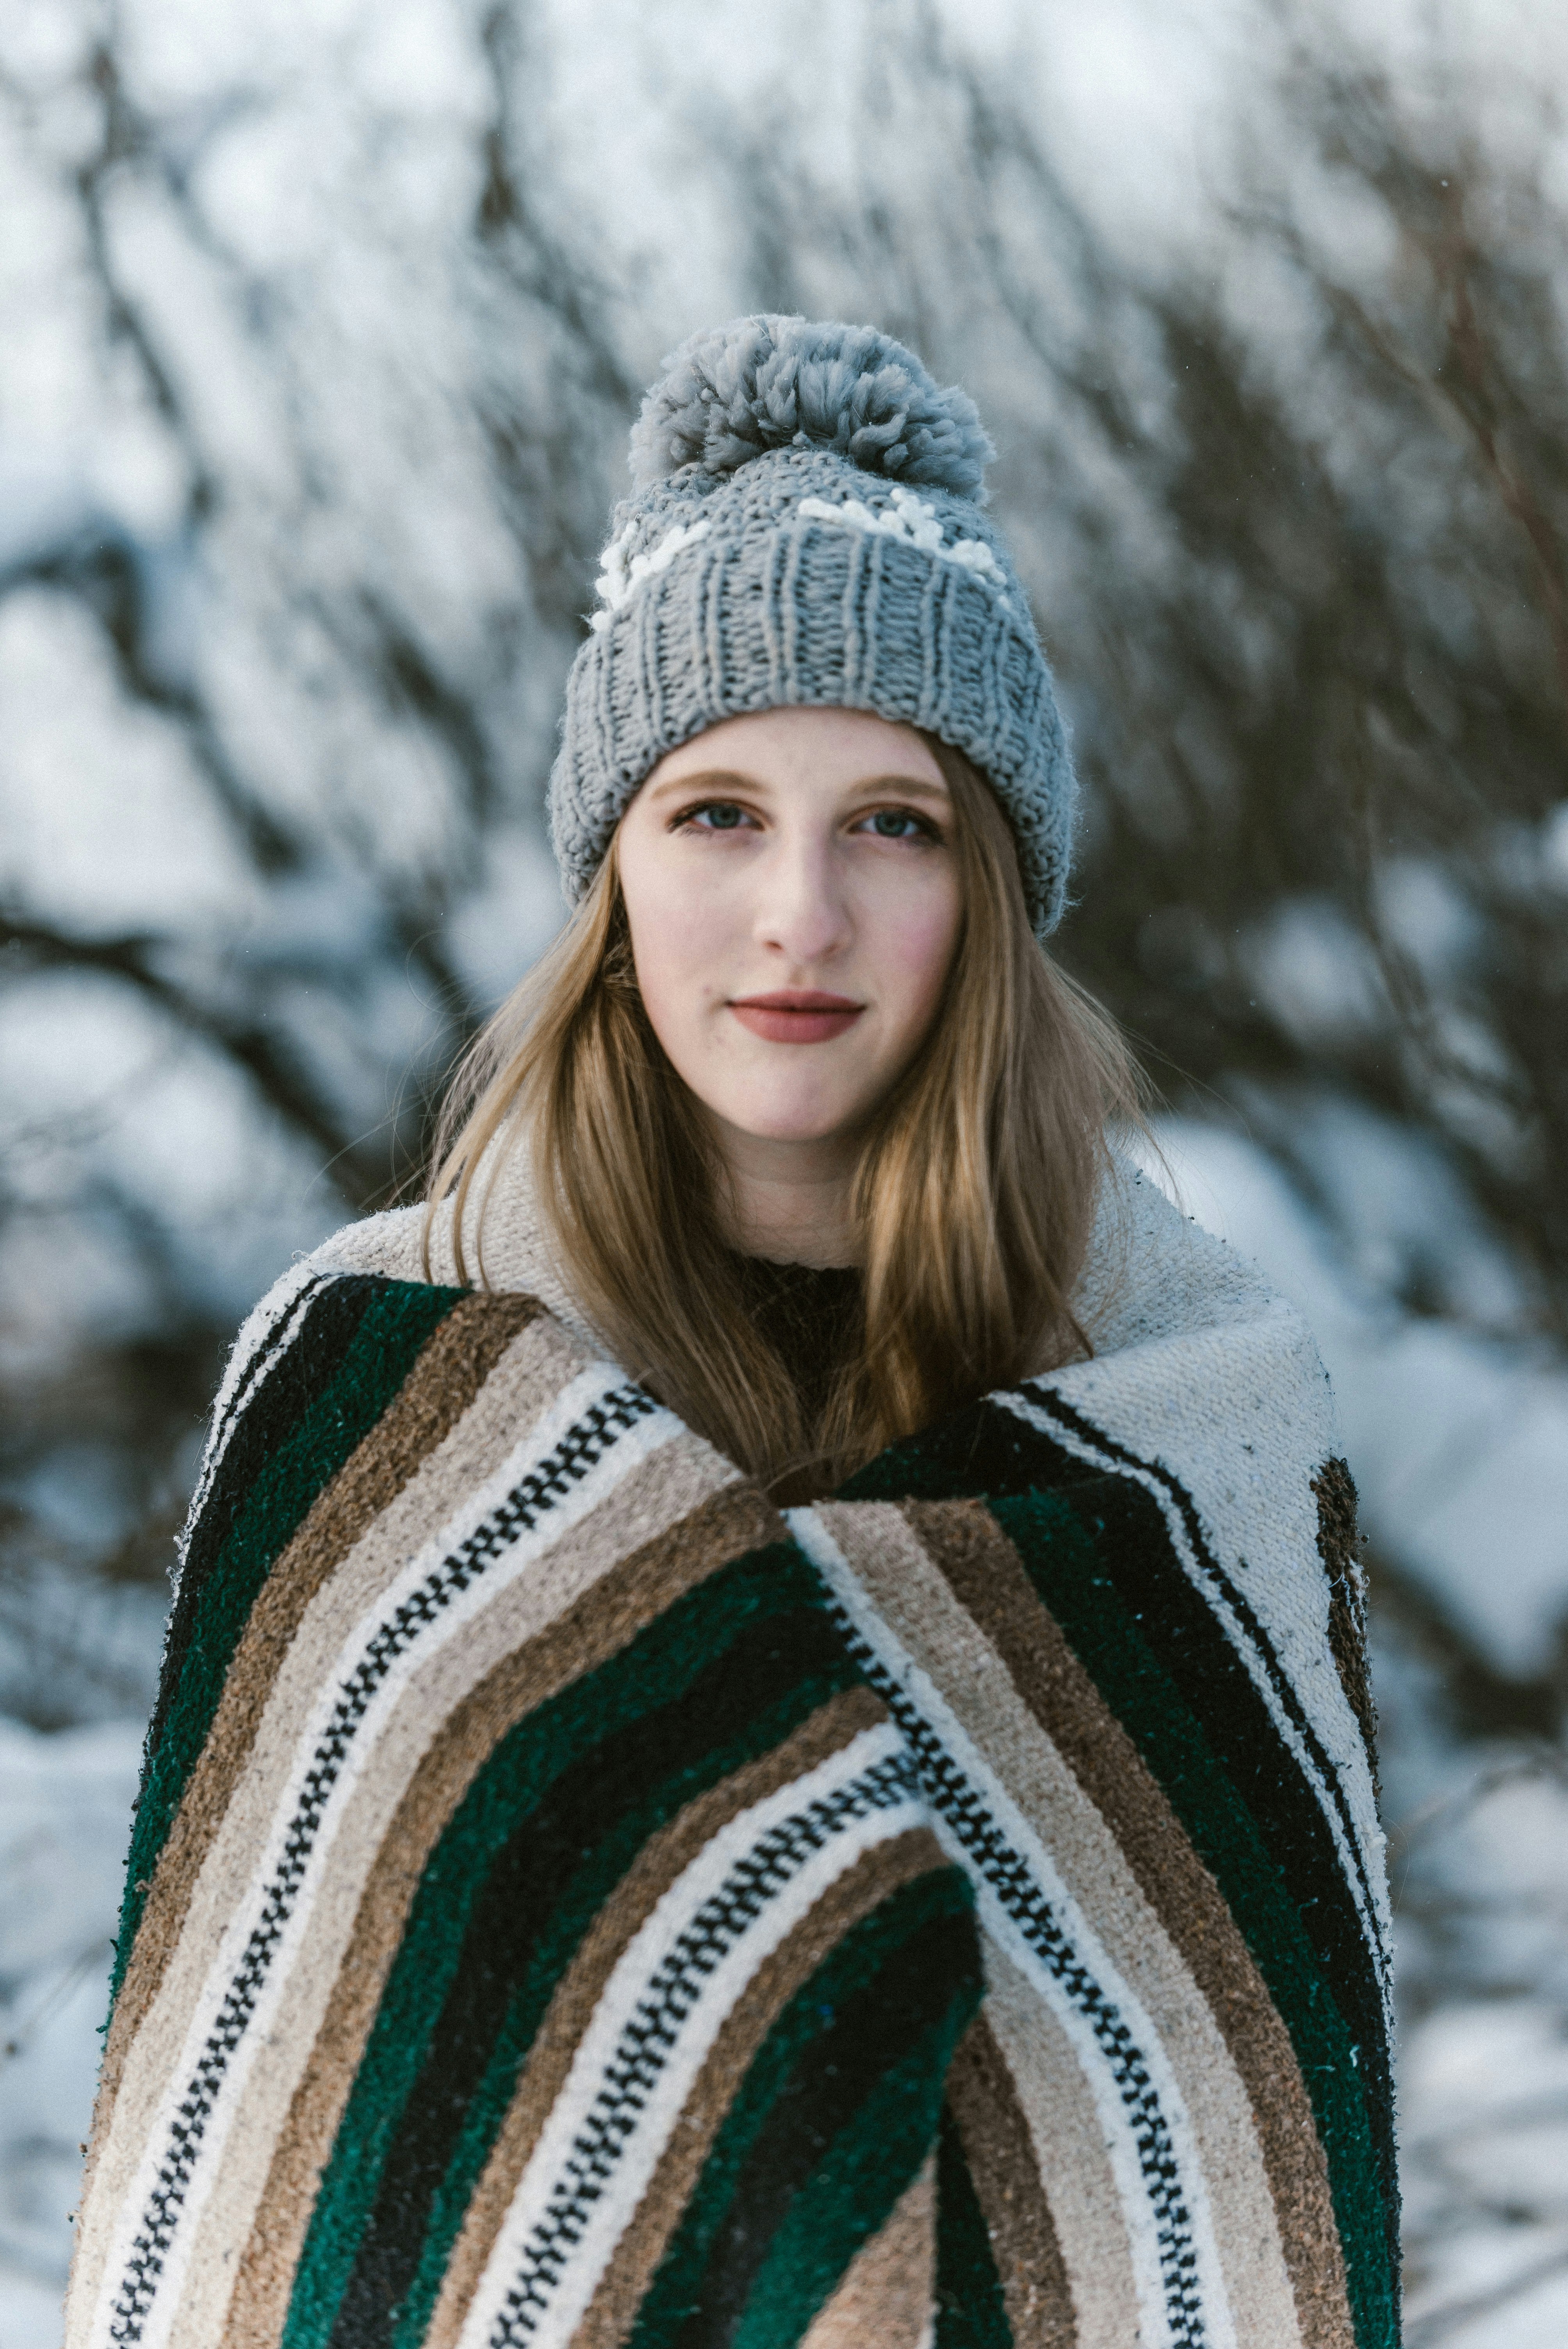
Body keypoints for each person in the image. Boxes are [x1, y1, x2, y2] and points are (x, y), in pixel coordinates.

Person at [69, 317, 1400, 2349]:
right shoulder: (373, 1393)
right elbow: (269, 2180)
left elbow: (1237, 2187)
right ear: (612, 870)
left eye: (894, 822)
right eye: (715, 815)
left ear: (991, 889)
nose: (801, 914)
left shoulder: (1191, 1447)